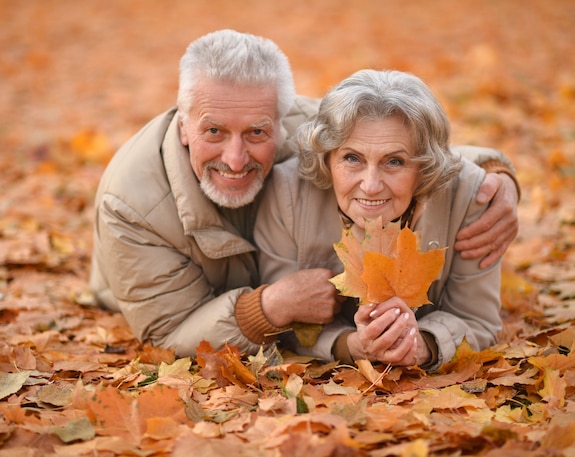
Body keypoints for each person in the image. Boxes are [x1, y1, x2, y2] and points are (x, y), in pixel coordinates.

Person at [90, 29, 518, 359]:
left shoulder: (314, 126)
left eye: (257, 132)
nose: (236, 159)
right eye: (213, 131)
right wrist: (269, 308)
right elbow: (169, 330)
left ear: (285, 125)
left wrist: (497, 176)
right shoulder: (129, 205)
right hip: (182, 298)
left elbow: (400, 135)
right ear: (183, 124)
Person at [255, 69, 505, 370]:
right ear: (327, 157)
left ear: (424, 167)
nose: (371, 185)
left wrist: (423, 345)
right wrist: (351, 346)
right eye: (352, 158)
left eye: (394, 161)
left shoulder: (469, 194)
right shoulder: (286, 191)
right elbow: (284, 321)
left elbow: (478, 319)